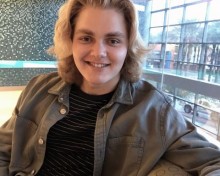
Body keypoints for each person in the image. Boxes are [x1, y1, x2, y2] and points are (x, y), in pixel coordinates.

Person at [0, 0, 220, 175]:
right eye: (86, 38)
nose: (98, 53)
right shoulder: (37, 88)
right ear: (71, 41)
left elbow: (211, 161)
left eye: (113, 41)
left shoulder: (153, 108)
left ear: (128, 48)